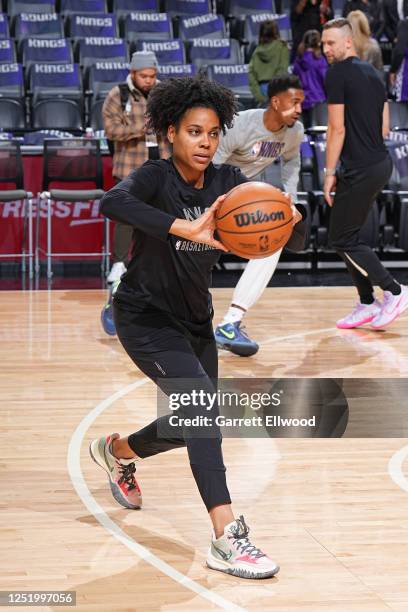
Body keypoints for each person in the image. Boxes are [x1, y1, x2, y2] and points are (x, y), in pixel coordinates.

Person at [90, 76, 303, 578]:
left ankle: (117, 451)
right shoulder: (154, 178)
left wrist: (288, 216)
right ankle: (226, 537)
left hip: (195, 321)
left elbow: (286, 236)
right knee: (203, 412)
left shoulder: (230, 184)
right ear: (171, 133)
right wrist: (179, 226)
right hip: (145, 318)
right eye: (193, 132)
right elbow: (111, 203)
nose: (205, 142)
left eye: (212, 133)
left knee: (194, 422)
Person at [321, 18, 408, 329]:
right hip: (379, 164)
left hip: (360, 168)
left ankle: (395, 291)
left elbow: (336, 128)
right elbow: (384, 127)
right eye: (323, 43)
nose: (325, 49)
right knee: (344, 238)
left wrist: (329, 172)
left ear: (348, 42)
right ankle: (367, 302)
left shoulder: (337, 74)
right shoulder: (373, 73)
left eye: (331, 43)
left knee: (343, 238)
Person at [212, 74, 306, 356]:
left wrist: (291, 201)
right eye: (294, 102)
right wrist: (240, 196)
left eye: (301, 102)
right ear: (275, 102)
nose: (299, 108)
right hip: (209, 194)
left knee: (271, 242)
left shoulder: (294, 131)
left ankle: (230, 323)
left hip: (241, 199)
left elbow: (292, 162)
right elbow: (211, 167)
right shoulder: (240, 124)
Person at [103, 51, 171, 286]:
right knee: (126, 217)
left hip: (161, 163)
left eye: (152, 76)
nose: (149, 80)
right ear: (133, 73)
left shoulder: (165, 94)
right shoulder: (118, 94)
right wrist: (143, 127)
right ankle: (119, 264)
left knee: (162, 215)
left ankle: (158, 265)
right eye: (144, 76)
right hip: (130, 165)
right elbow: (111, 130)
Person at [248, 20, 289, 106]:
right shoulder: (282, 47)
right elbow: (282, 71)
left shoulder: (256, 51)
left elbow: (251, 75)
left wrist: (259, 96)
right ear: (276, 31)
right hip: (277, 89)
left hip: (262, 89)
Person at [293, 30, 328, 128]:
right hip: (319, 99)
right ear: (318, 43)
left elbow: (295, 80)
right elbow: (325, 79)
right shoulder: (320, 60)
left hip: (304, 99)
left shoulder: (298, 60)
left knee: (306, 129)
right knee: (320, 130)